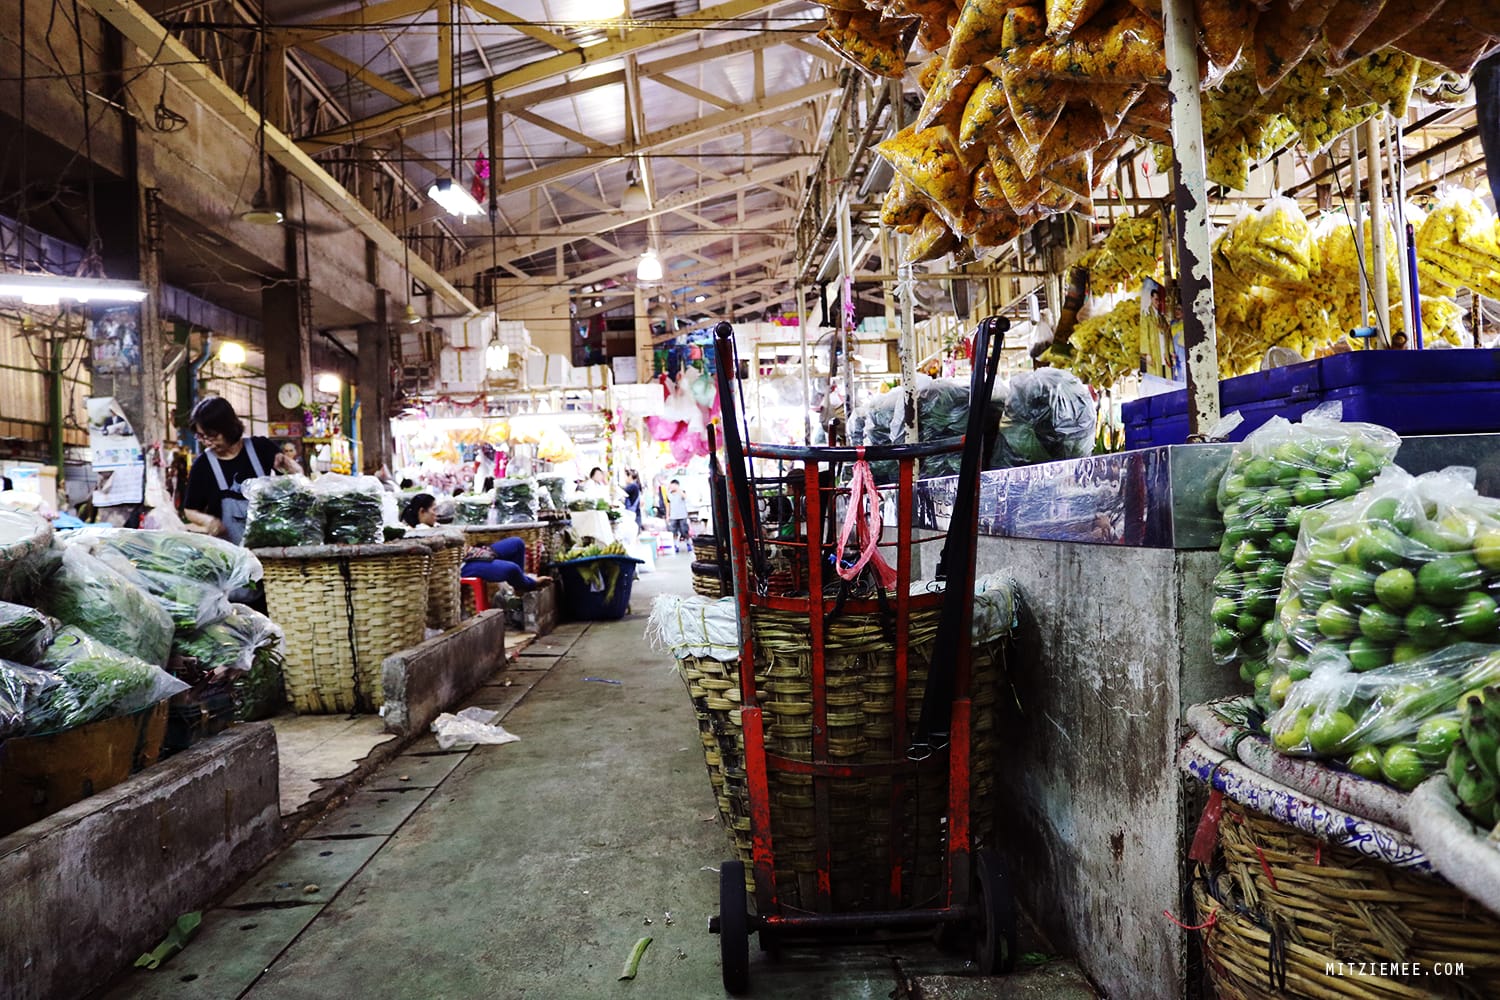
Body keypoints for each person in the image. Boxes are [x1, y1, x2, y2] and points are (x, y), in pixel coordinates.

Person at [183, 396, 301, 544]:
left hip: (267, 548)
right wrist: (209, 521)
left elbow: (294, 483)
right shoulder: (203, 465)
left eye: (212, 436)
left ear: (228, 428)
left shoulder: (261, 448)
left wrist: (293, 469)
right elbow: (190, 510)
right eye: (201, 436)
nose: (207, 443)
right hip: (228, 554)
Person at [461, 535, 549, 592]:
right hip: (461, 566)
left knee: (517, 543)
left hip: (471, 553)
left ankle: (519, 583)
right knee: (512, 569)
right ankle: (527, 584)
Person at [667, 478, 691, 550]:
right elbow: (668, 505)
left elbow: (685, 497)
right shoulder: (669, 494)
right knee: (673, 532)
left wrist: (679, 490)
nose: (671, 486)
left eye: (673, 485)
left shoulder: (682, 492)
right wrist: (667, 515)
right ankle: (675, 545)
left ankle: (688, 544)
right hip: (673, 516)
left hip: (682, 515)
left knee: (684, 531)